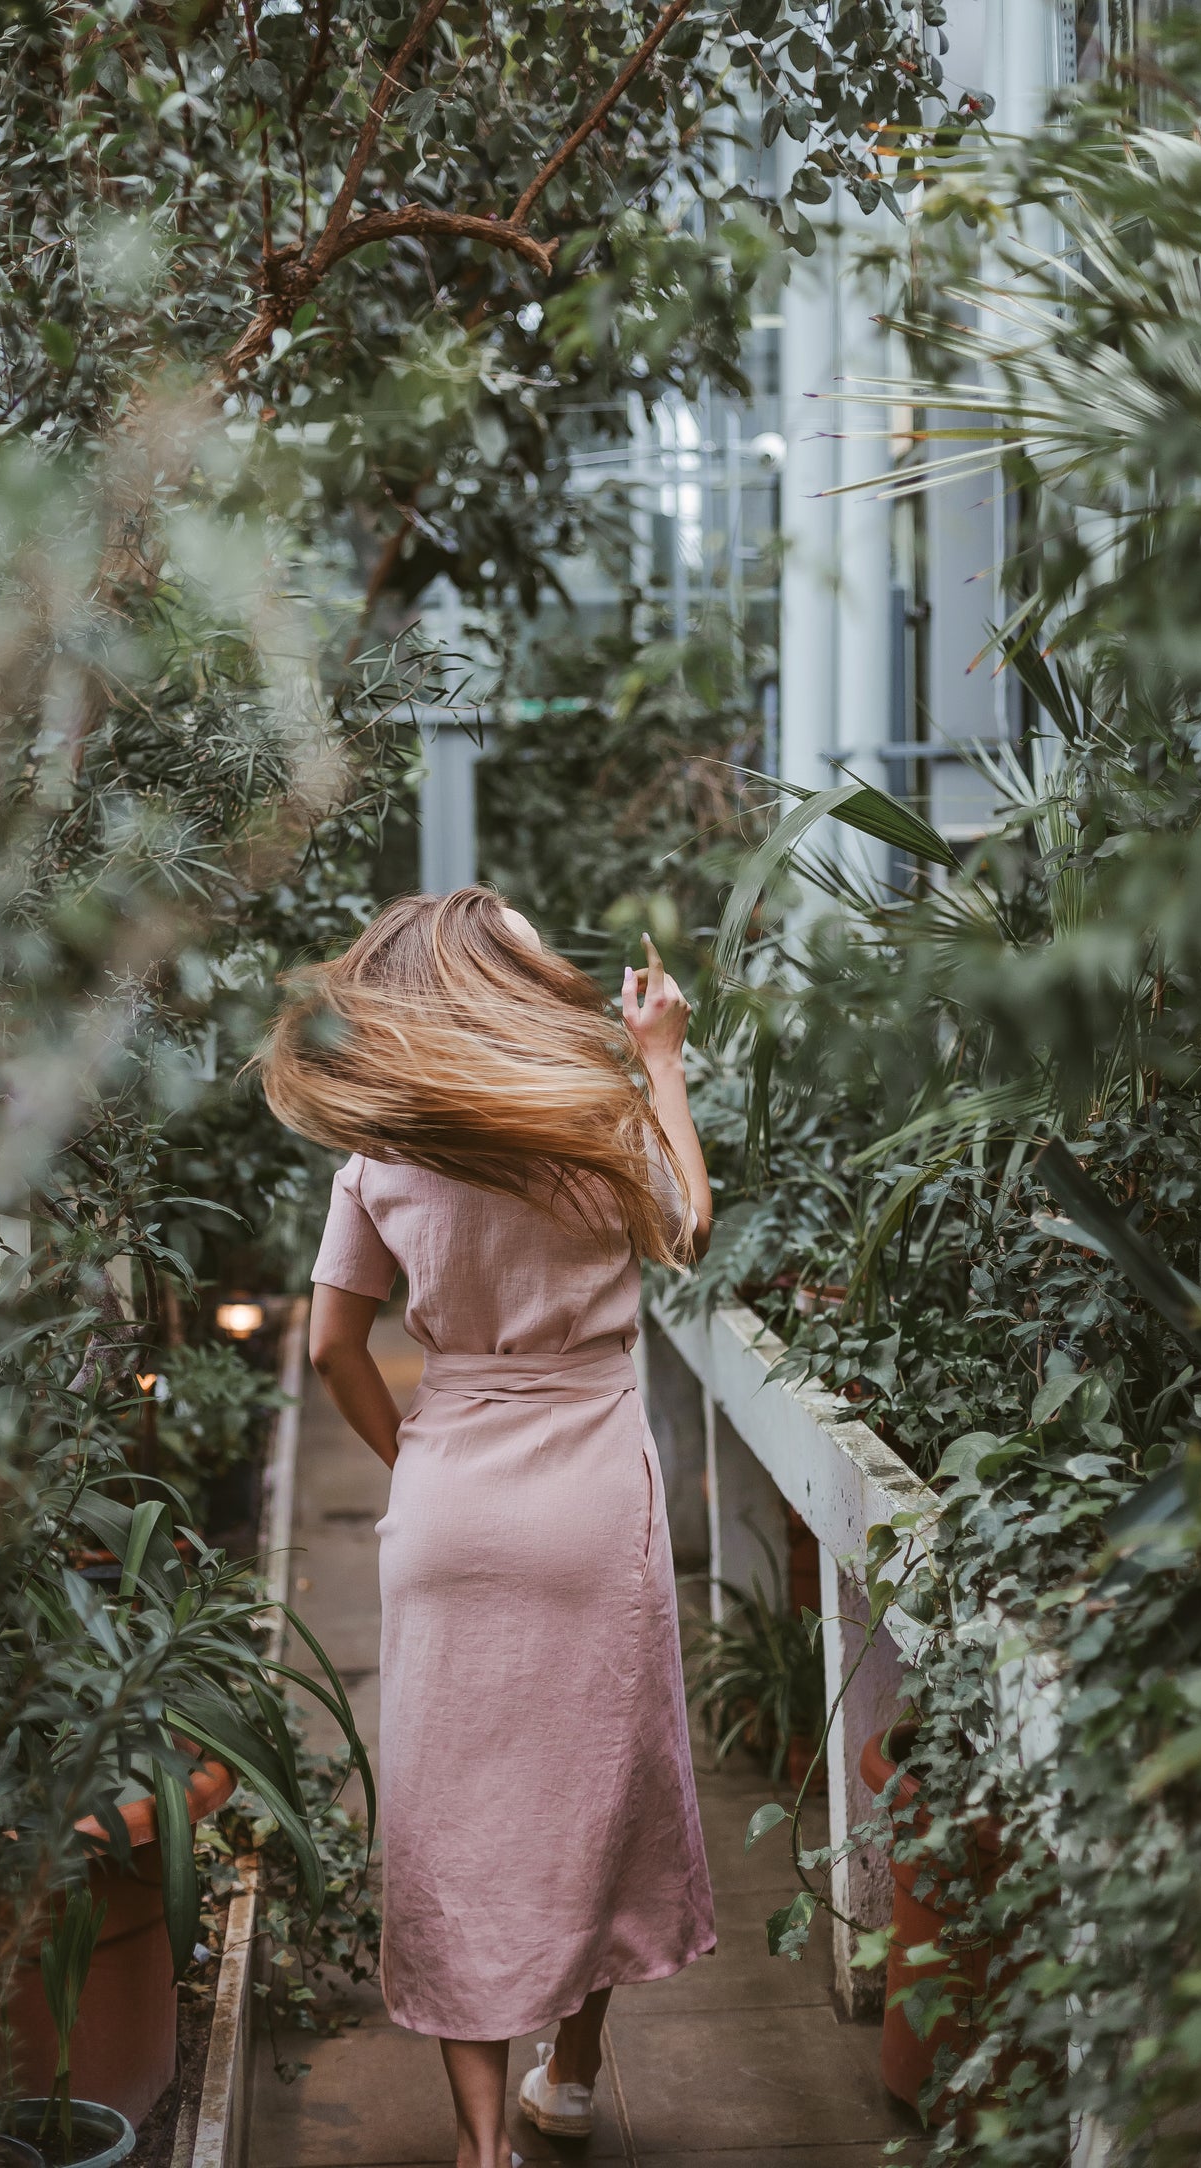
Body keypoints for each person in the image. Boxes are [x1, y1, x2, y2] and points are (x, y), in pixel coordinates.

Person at [260, 887, 715, 2168]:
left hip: (449, 1496)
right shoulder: (594, 1121)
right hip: (586, 1489)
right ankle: (568, 2082)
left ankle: (477, 2145)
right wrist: (661, 1058)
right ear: (495, 980)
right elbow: (685, 1223)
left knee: (455, 1811)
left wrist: (420, 1461)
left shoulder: (380, 1152)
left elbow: (332, 1345)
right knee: (600, 1792)